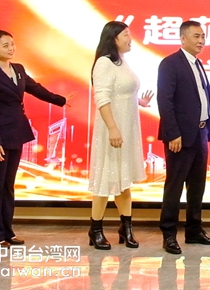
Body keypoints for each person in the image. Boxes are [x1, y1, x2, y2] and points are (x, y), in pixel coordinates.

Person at [0, 30, 71, 248]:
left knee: (8, 185)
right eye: (5, 45)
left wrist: (60, 100)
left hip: (16, 134)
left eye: (12, 44)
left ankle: (6, 232)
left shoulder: (18, 69)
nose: (11, 48)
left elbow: (35, 88)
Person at [157, 20, 210, 255]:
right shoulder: (170, 64)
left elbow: (198, 98)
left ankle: (194, 230)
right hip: (180, 136)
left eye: (203, 36)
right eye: (196, 36)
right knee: (175, 186)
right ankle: (169, 234)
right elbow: (165, 101)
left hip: (200, 134)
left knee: (197, 186)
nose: (201, 41)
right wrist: (173, 133)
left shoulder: (198, 64)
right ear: (183, 38)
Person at [88, 21, 153, 250]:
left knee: (124, 180)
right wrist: (113, 128)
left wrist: (139, 101)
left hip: (127, 130)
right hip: (112, 131)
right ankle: (95, 229)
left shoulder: (121, 61)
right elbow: (102, 98)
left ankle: (125, 229)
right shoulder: (104, 63)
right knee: (106, 179)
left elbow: (121, 91)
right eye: (126, 34)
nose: (130, 38)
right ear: (113, 38)